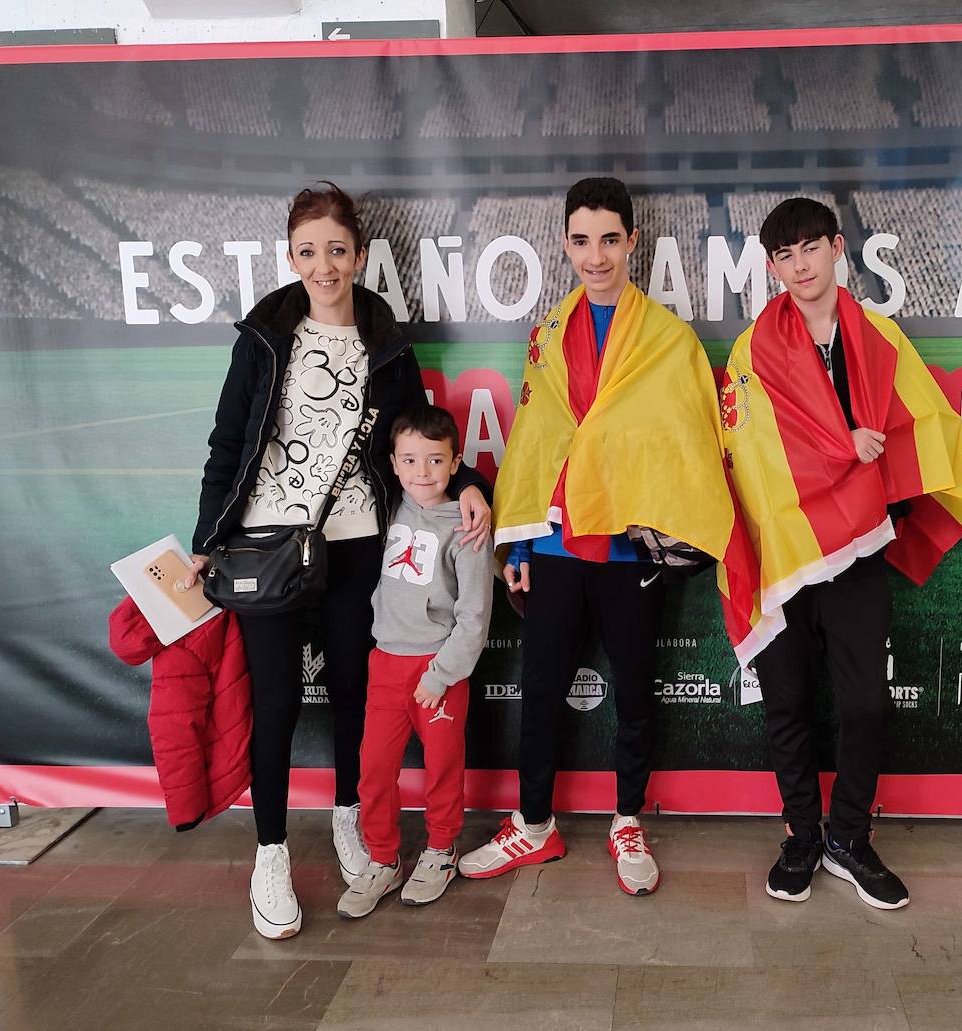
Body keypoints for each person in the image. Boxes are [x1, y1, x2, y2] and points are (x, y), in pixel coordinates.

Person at [185, 182, 492, 940]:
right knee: (280, 707)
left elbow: (424, 444)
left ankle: (351, 821)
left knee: (358, 696)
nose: (323, 265)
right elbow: (227, 447)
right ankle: (270, 853)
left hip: (362, 547)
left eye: (337, 249)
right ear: (290, 256)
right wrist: (205, 537)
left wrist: (475, 483)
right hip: (268, 546)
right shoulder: (261, 336)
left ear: (358, 254)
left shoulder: (386, 342)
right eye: (308, 251)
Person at [458, 177, 738, 896]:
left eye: (609, 239)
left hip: (628, 550)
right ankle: (534, 823)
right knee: (542, 686)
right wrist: (517, 545)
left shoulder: (669, 340)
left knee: (636, 689)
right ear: (564, 243)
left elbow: (687, 445)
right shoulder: (548, 331)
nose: (595, 255)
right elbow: (535, 442)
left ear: (632, 242)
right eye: (581, 240)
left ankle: (626, 819)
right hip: (554, 548)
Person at [718, 197, 962, 909]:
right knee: (789, 702)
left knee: (864, 704)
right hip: (786, 554)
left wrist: (872, 464)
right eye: (784, 255)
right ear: (771, 267)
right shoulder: (752, 348)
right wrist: (840, 448)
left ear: (837, 248)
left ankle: (849, 837)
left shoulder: (881, 337)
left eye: (810, 248)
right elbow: (751, 451)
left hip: (859, 549)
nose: (800, 266)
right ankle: (803, 834)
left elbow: (922, 420)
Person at [337, 405, 494, 918]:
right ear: (394, 464)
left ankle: (440, 851)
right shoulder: (385, 506)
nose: (421, 472)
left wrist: (440, 674)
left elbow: (474, 616)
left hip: (437, 673)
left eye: (434, 460)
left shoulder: (468, 526)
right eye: (409, 460)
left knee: (441, 769)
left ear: (455, 464)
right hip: (384, 663)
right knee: (373, 770)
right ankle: (382, 859)